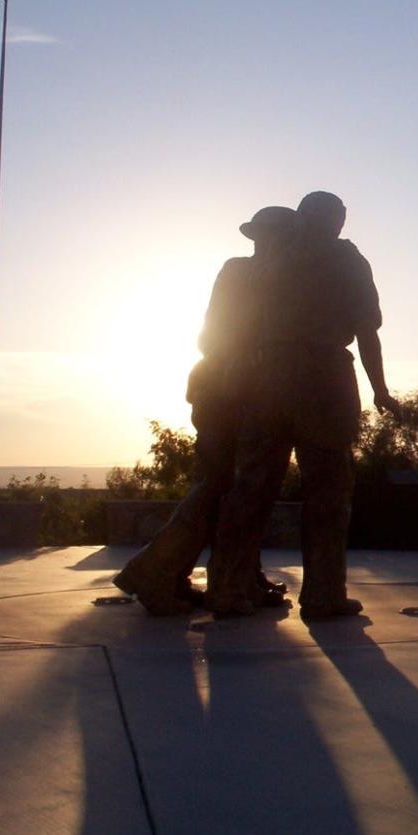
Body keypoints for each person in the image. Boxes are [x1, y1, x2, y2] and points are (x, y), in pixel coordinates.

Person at [207, 190, 400, 619]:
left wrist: (245, 358)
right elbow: (368, 331)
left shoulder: (267, 263)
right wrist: (380, 389)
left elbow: (231, 321)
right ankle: (323, 594)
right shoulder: (348, 260)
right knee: (328, 490)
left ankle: (228, 588)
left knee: (252, 485)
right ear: (338, 219)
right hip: (324, 376)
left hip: (269, 377)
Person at [113, 207, 295, 615]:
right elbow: (221, 335)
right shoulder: (254, 273)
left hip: (234, 388)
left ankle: (237, 576)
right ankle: (155, 573)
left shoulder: (255, 273)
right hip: (230, 390)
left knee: (240, 491)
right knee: (224, 489)